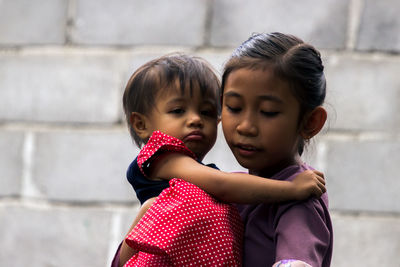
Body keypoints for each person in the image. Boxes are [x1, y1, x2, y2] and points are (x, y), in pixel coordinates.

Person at [112, 53, 326, 266]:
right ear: (141, 124)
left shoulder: (293, 204)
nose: (196, 119)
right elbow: (223, 185)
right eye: (178, 111)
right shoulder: (164, 157)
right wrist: (291, 188)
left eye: (206, 112)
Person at [220, 32, 333, 266]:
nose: (246, 127)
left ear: (310, 122)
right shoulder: (233, 189)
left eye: (268, 111)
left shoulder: (300, 200)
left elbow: (296, 261)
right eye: (234, 107)